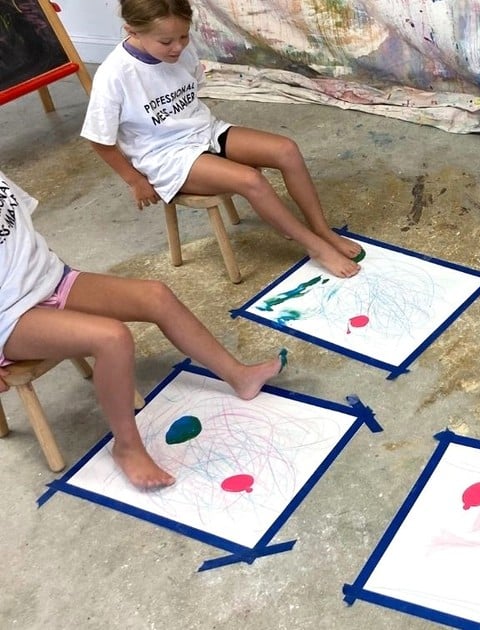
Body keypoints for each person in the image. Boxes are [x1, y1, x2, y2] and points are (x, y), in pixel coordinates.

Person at [0, 170, 284, 490]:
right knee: (113, 338)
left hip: (51, 280)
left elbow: (21, 237)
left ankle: (238, 375)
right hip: (11, 317)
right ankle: (127, 447)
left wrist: (60, 278)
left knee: (156, 296)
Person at [81, 0, 362, 279]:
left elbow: (191, 94)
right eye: (166, 41)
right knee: (250, 180)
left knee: (286, 149)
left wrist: (204, 136)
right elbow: (99, 139)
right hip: (165, 157)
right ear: (132, 31)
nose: (178, 47)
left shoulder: (181, 51)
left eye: (184, 36)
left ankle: (322, 231)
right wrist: (135, 180)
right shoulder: (114, 75)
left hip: (204, 132)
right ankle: (315, 247)